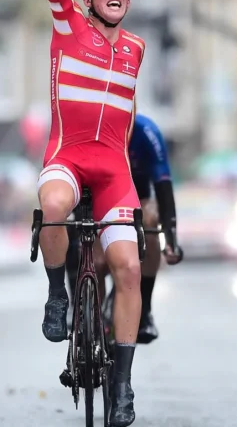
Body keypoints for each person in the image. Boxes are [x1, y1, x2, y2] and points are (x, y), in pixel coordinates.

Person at [25, 0, 145, 427]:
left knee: (129, 267)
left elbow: (127, 116)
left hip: (113, 169)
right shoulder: (67, 26)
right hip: (69, 157)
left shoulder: (137, 49)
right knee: (52, 205)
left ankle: (122, 387)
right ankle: (57, 296)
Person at [65, 114, 183, 343]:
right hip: (94, 195)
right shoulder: (91, 128)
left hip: (138, 197)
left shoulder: (146, 133)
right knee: (79, 236)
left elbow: (163, 188)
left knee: (149, 222)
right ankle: (82, 310)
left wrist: (171, 238)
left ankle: (145, 310)